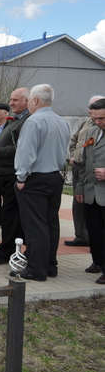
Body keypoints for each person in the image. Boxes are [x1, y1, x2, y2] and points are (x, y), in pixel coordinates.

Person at [13, 83, 70, 281]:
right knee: (50, 223)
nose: (28, 103)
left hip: (34, 179)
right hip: (54, 176)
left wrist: (21, 177)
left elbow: (26, 152)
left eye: (29, 100)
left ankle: (36, 269)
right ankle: (50, 265)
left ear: (35, 100)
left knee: (35, 225)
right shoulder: (62, 122)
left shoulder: (33, 121)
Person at [0, 88, 30, 265]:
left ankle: (6, 252)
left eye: (15, 100)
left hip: (13, 173)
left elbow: (22, 148)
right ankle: (14, 249)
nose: (11, 104)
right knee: (10, 214)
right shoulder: (16, 120)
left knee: (10, 215)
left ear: (28, 101)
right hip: (2, 172)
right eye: (11, 100)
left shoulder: (27, 121)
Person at [75, 97, 105, 283]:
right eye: (94, 118)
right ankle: (98, 261)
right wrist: (80, 187)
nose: (97, 122)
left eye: (101, 118)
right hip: (91, 191)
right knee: (94, 230)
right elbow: (85, 162)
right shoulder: (92, 131)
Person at [66, 97, 102, 246]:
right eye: (90, 107)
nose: (97, 121)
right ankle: (82, 237)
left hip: (100, 182)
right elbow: (76, 142)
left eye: (101, 118)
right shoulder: (89, 126)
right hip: (83, 175)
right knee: (80, 204)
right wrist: (74, 155)